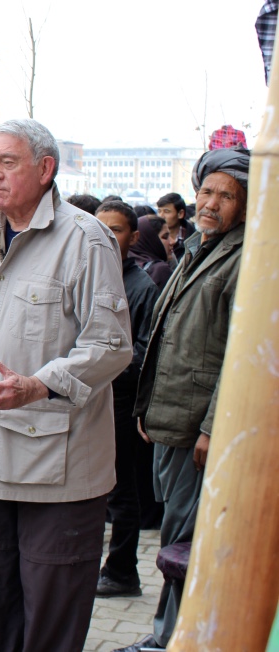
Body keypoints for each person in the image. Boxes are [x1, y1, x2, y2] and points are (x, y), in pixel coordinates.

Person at [0, 119, 132, 652]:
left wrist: (38, 385)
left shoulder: (86, 239)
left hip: (57, 468)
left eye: (7, 162)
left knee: (50, 624)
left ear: (45, 169)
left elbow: (110, 346)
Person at [114, 148, 250, 652]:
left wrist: (214, 426)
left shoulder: (244, 260)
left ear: (245, 203)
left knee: (185, 542)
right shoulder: (199, 246)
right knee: (177, 532)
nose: (211, 203)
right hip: (170, 421)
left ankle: (170, 639)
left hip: (198, 429)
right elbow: (165, 338)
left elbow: (242, 356)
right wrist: (147, 408)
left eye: (226, 195)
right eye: (206, 191)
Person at [94, 201, 160, 599]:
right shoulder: (93, 276)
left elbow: (143, 354)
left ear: (133, 237)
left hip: (120, 402)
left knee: (123, 491)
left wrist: (95, 364)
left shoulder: (141, 288)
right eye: (99, 228)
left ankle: (122, 570)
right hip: (91, 397)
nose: (105, 237)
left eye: (115, 230)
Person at [128, 216, 175, 291]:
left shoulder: (125, 265)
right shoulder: (160, 270)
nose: (172, 241)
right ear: (151, 240)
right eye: (165, 236)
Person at [155, 192, 194, 262]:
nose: (161, 216)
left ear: (180, 214)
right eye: (159, 211)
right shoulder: (153, 236)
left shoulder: (193, 239)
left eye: (166, 211)